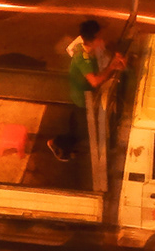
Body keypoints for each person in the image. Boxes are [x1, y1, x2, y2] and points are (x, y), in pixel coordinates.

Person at [49, 19, 123, 163]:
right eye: (100, 36)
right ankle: (55, 143)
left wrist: (115, 55)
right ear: (94, 38)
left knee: (77, 126)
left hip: (82, 96)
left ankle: (65, 146)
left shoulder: (84, 47)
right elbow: (95, 81)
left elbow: (105, 47)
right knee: (81, 132)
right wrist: (112, 68)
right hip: (82, 99)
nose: (102, 39)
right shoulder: (83, 58)